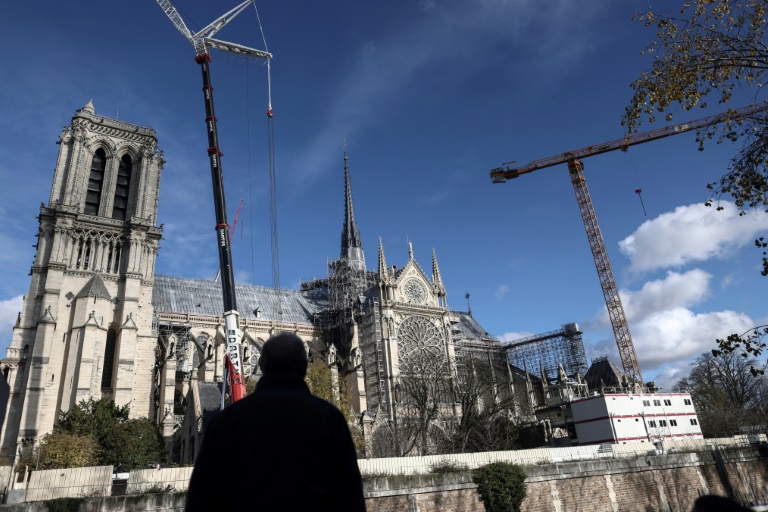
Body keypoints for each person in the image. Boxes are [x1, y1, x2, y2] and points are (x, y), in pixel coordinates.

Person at [185, 332, 366, 511]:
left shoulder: (224, 422)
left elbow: (200, 500)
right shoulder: (331, 419)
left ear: (262, 365)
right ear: (305, 367)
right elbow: (352, 497)